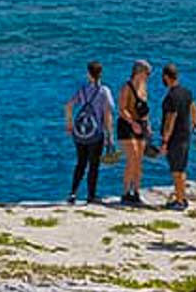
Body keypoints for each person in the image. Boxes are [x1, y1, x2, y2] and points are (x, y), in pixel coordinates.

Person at [65, 61, 114, 204]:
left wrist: (69, 125)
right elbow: (107, 114)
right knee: (94, 165)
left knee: (80, 163)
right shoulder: (104, 91)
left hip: (80, 133)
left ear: (88, 74)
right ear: (101, 74)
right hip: (96, 133)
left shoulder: (83, 90)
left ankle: (73, 193)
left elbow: (68, 106)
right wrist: (110, 135)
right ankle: (91, 196)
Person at [158, 63, 196, 211]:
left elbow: (170, 118)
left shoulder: (171, 96)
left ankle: (180, 200)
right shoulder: (186, 92)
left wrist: (165, 140)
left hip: (175, 137)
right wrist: (194, 122)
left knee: (176, 170)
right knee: (181, 168)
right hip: (185, 135)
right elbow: (193, 107)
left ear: (166, 77)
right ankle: (182, 197)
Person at [117, 60, 152, 206]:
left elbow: (145, 108)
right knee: (132, 157)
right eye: (147, 73)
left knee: (139, 160)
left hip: (141, 124)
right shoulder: (127, 87)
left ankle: (136, 191)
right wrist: (132, 123)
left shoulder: (144, 87)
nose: (148, 76)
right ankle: (125, 192)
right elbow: (122, 108)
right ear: (139, 72)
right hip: (127, 125)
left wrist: (147, 124)